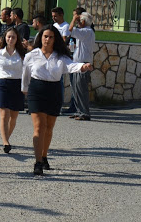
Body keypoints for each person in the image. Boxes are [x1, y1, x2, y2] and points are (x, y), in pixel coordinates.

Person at [22, 26, 92, 175]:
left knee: (48, 127)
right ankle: (38, 162)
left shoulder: (60, 57)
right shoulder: (32, 55)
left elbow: (71, 65)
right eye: (45, 36)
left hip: (54, 91)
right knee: (39, 127)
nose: (47, 39)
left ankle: (44, 155)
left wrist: (83, 67)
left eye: (51, 37)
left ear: (55, 40)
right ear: (40, 37)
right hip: (36, 91)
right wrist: (24, 89)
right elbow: (25, 73)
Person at [0, 27, 26, 153]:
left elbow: (26, 71)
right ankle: (5, 142)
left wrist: (26, 86)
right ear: (5, 38)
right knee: (4, 114)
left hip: (17, 84)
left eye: (13, 37)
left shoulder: (22, 55)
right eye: (8, 37)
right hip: (3, 83)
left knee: (13, 116)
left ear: (17, 39)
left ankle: (7, 137)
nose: (11, 39)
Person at [68, 12, 95, 121]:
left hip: (83, 64)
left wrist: (74, 19)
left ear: (83, 22)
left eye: (79, 21)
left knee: (81, 89)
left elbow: (70, 30)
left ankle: (84, 112)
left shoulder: (86, 31)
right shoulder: (85, 32)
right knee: (76, 89)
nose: (78, 23)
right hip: (77, 63)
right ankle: (79, 111)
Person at [51, 7, 74, 115]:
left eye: (55, 16)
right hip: (52, 55)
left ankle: (59, 105)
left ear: (61, 15)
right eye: (52, 16)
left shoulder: (65, 26)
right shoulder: (54, 26)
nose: (54, 18)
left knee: (59, 82)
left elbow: (64, 41)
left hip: (59, 56)